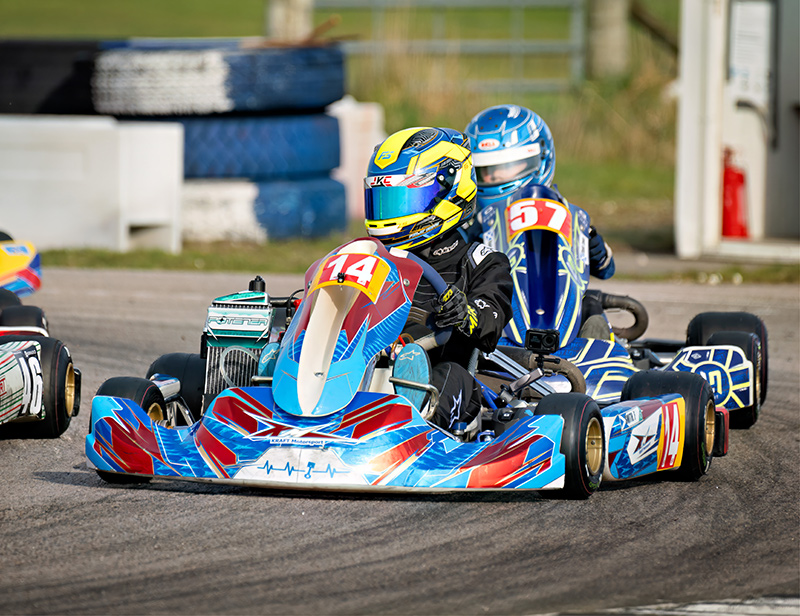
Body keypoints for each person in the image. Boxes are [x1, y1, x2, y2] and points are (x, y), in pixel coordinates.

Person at [363, 126, 513, 435]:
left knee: (451, 374)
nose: (389, 213)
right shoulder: (368, 258)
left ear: (449, 191)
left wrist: (466, 313)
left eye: (403, 198)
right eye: (384, 200)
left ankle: (411, 424)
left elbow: (491, 317)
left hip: (441, 381)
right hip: (361, 373)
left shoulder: (480, 262)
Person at [464, 104, 615, 281]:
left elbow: (606, 268)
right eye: (483, 171)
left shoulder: (559, 214)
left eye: (504, 167)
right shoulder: (469, 223)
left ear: (540, 160)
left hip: (551, 293)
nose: (493, 176)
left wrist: (590, 245)